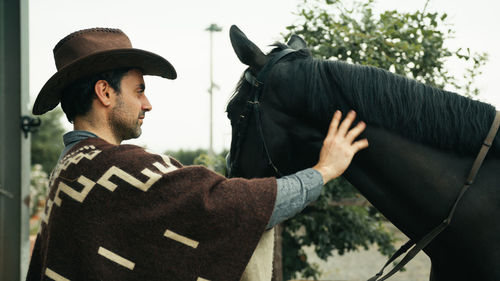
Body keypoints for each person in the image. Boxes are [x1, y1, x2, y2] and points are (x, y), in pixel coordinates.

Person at [27, 28, 368, 281]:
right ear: (105, 92)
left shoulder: (70, 169)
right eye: (139, 90)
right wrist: (323, 171)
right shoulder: (116, 168)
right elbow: (229, 205)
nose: (147, 104)